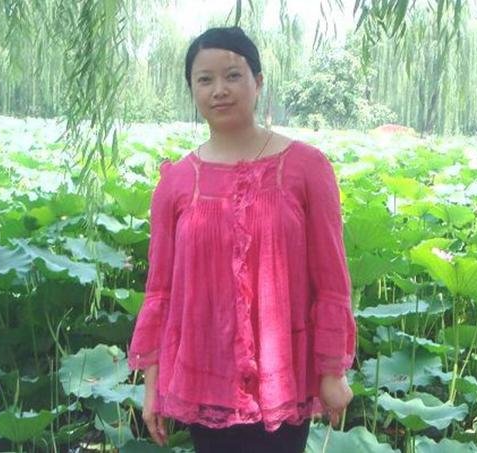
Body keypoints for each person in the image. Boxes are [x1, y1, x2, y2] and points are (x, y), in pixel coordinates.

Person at [127, 26, 356, 453]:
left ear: (258, 81)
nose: (219, 90)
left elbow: (331, 280)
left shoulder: (307, 168)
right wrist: (153, 386)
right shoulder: (176, 182)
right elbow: (161, 291)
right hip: (203, 376)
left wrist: (331, 370)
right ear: (192, 89)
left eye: (233, 75)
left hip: (283, 378)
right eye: (205, 79)